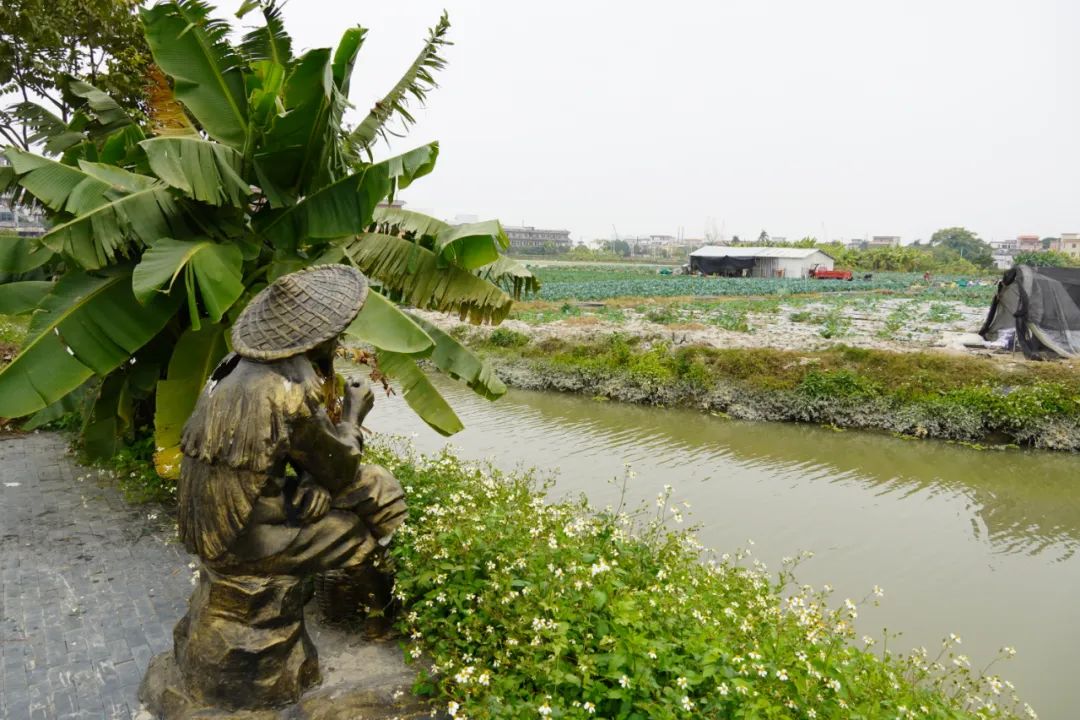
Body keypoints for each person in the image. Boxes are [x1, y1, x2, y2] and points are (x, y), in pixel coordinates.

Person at [177, 265, 406, 579]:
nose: (337, 341)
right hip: (241, 538)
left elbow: (300, 449)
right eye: (335, 335)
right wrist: (354, 413)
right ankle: (389, 591)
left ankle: (387, 584)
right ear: (318, 340)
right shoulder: (289, 388)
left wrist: (312, 482)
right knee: (363, 524)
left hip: (215, 523)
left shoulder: (232, 365)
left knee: (374, 484)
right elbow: (340, 468)